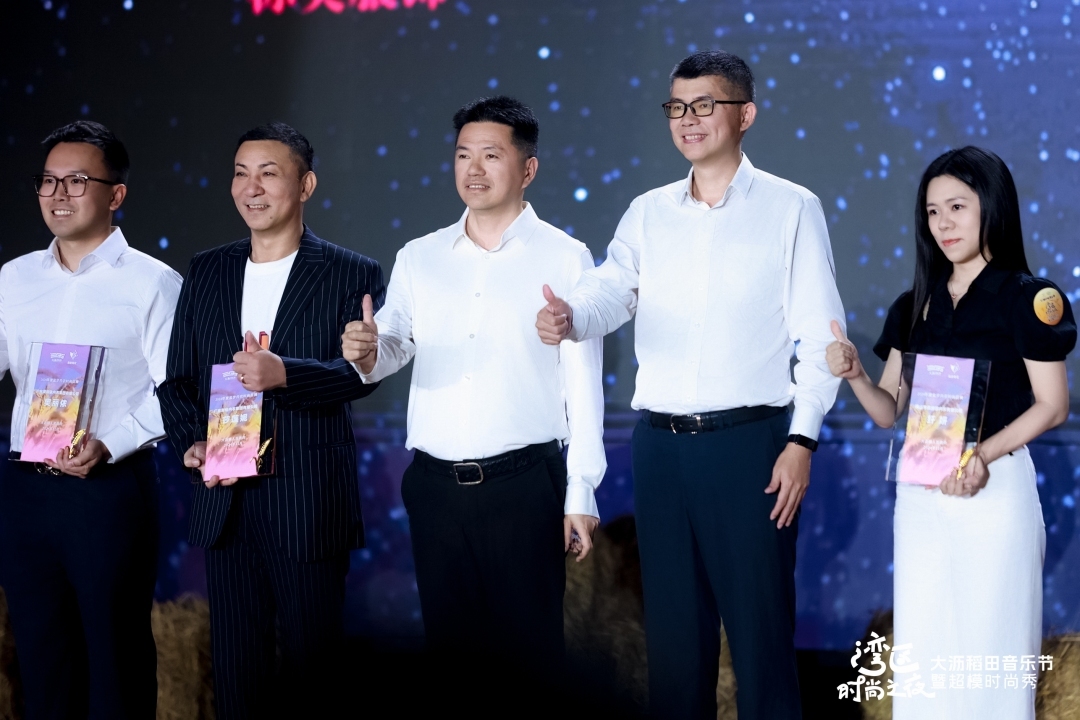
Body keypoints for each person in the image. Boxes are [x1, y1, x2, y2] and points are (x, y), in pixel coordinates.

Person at [536, 51, 844, 719]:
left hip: (751, 445)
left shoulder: (792, 208)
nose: (688, 119)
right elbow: (612, 289)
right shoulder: (648, 212)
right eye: (677, 107)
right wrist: (572, 317)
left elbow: (821, 337)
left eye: (705, 105)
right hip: (662, 448)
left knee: (760, 642)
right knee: (674, 644)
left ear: (745, 114)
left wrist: (802, 440)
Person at [341, 96, 605, 690]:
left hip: (524, 487)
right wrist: (366, 351)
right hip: (435, 489)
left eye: (491, 155)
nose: (474, 169)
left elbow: (584, 385)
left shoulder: (566, 257)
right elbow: (391, 346)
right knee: (452, 662)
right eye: (463, 155)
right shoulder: (420, 256)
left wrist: (581, 491)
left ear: (528, 169)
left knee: (530, 663)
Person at [827, 146, 1074, 719]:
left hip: (995, 489)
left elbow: (1053, 406)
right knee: (927, 659)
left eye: (957, 207)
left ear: (992, 205)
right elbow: (888, 411)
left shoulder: (1030, 299)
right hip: (922, 496)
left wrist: (982, 454)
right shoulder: (915, 304)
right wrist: (856, 374)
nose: (943, 224)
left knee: (992, 656)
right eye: (933, 212)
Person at [158, 122, 384, 719]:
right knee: (238, 674)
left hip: (307, 500)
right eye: (240, 173)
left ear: (305, 185)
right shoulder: (207, 269)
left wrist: (285, 374)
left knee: (314, 672)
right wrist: (191, 443)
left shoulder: (350, 272)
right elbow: (177, 380)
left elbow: (360, 376)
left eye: (268, 173)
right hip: (226, 498)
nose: (250, 187)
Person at [0, 120, 182, 719]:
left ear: (116, 194)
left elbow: (178, 393)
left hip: (108, 491)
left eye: (77, 181)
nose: (58, 194)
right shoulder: (14, 278)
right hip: (25, 491)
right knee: (41, 661)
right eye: (48, 181)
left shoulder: (153, 283)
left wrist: (111, 442)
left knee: (114, 661)